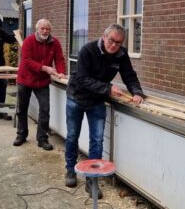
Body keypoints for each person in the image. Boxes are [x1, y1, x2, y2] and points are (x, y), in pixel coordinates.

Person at [64, 24, 144, 199]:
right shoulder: (87, 50)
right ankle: (70, 170)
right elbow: (83, 79)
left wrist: (137, 92)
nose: (114, 45)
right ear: (104, 36)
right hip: (76, 97)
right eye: (111, 40)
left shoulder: (121, 55)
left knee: (97, 141)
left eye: (118, 42)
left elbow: (129, 75)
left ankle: (92, 180)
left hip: (97, 101)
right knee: (72, 136)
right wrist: (108, 88)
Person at [13, 19, 66, 151]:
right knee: (22, 109)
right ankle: (21, 135)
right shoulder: (29, 41)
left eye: (47, 29)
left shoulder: (55, 43)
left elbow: (59, 59)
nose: (44, 31)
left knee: (45, 109)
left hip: (42, 81)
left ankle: (42, 139)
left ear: (50, 30)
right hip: (25, 79)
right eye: (42, 28)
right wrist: (45, 68)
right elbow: (27, 61)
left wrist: (61, 72)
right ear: (37, 29)